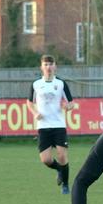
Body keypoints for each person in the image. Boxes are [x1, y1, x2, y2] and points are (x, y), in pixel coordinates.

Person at [27, 54, 75, 194]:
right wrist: (35, 113)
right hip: (43, 126)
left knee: (62, 156)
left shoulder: (60, 84)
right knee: (46, 160)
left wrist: (68, 107)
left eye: (50, 64)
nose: (48, 67)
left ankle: (65, 184)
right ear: (41, 67)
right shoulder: (36, 84)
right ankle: (60, 170)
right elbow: (29, 102)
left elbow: (71, 103)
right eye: (45, 64)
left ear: (55, 66)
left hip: (59, 125)